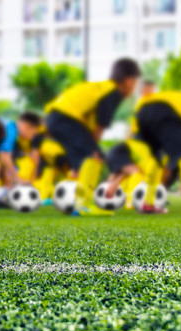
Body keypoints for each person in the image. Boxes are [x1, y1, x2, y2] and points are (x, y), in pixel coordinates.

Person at [44, 58, 141, 215]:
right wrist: (93, 150)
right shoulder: (112, 92)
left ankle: (70, 201)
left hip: (55, 118)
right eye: (136, 82)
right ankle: (82, 205)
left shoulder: (103, 88)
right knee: (95, 156)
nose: (134, 87)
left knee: (80, 165)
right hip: (66, 118)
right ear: (129, 81)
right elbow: (99, 128)